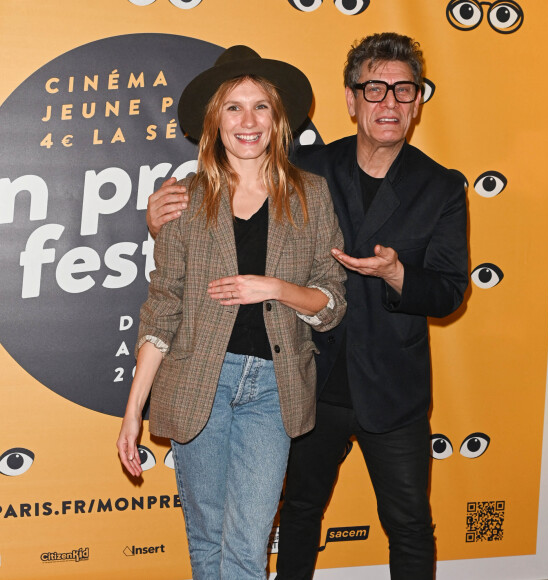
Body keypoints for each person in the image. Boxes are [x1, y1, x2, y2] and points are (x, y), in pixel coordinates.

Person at [147, 33, 468, 580]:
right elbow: (230, 194)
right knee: (296, 514)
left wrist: (398, 274)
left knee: (410, 523)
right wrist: (159, 219)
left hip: (393, 387)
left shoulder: (442, 187)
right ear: (351, 99)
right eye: (374, 89)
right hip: (305, 379)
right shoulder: (306, 168)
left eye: (403, 90)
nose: (388, 102)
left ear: (418, 103)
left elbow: (449, 291)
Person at [116, 45, 346, 580]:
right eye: (233, 107)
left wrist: (276, 288)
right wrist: (133, 411)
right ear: (214, 122)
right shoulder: (185, 200)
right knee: (206, 537)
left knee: (248, 539)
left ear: (278, 118)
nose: (248, 120)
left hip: (275, 389)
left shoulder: (311, 195)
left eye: (261, 106)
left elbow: (331, 301)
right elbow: (162, 309)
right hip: (198, 382)